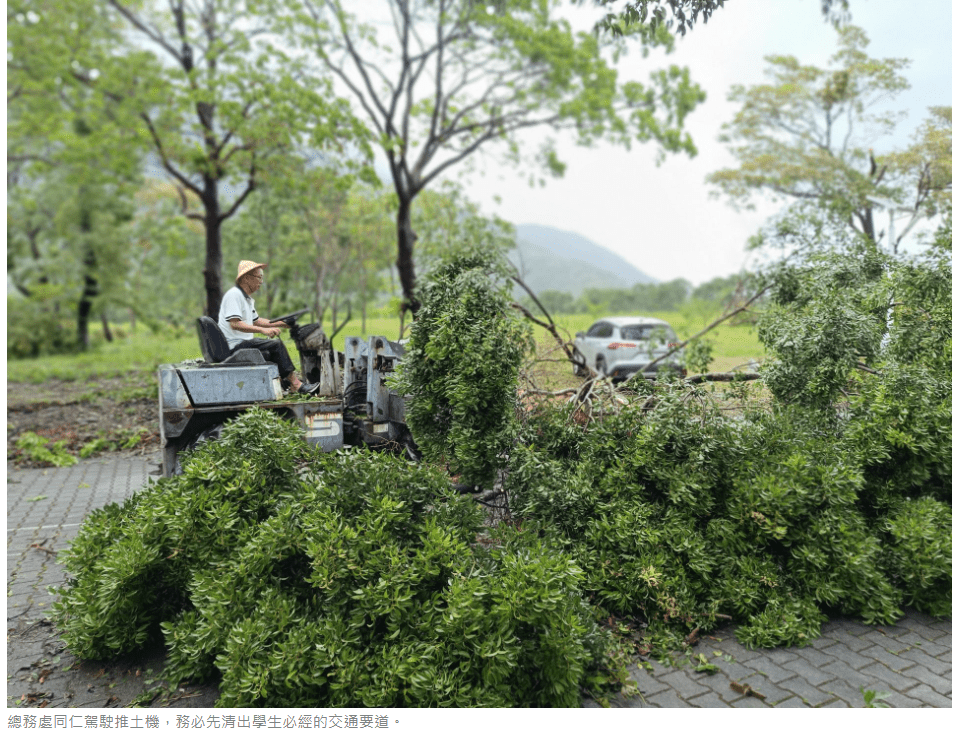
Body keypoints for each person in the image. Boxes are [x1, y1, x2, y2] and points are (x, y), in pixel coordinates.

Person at [218, 260, 317, 394]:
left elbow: (257, 321)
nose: (261, 282)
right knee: (276, 345)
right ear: (246, 278)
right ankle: (296, 385)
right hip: (233, 345)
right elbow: (235, 323)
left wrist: (282, 323)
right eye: (259, 277)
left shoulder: (247, 299)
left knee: (269, 352)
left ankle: (282, 383)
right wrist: (263, 330)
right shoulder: (234, 295)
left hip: (241, 343)